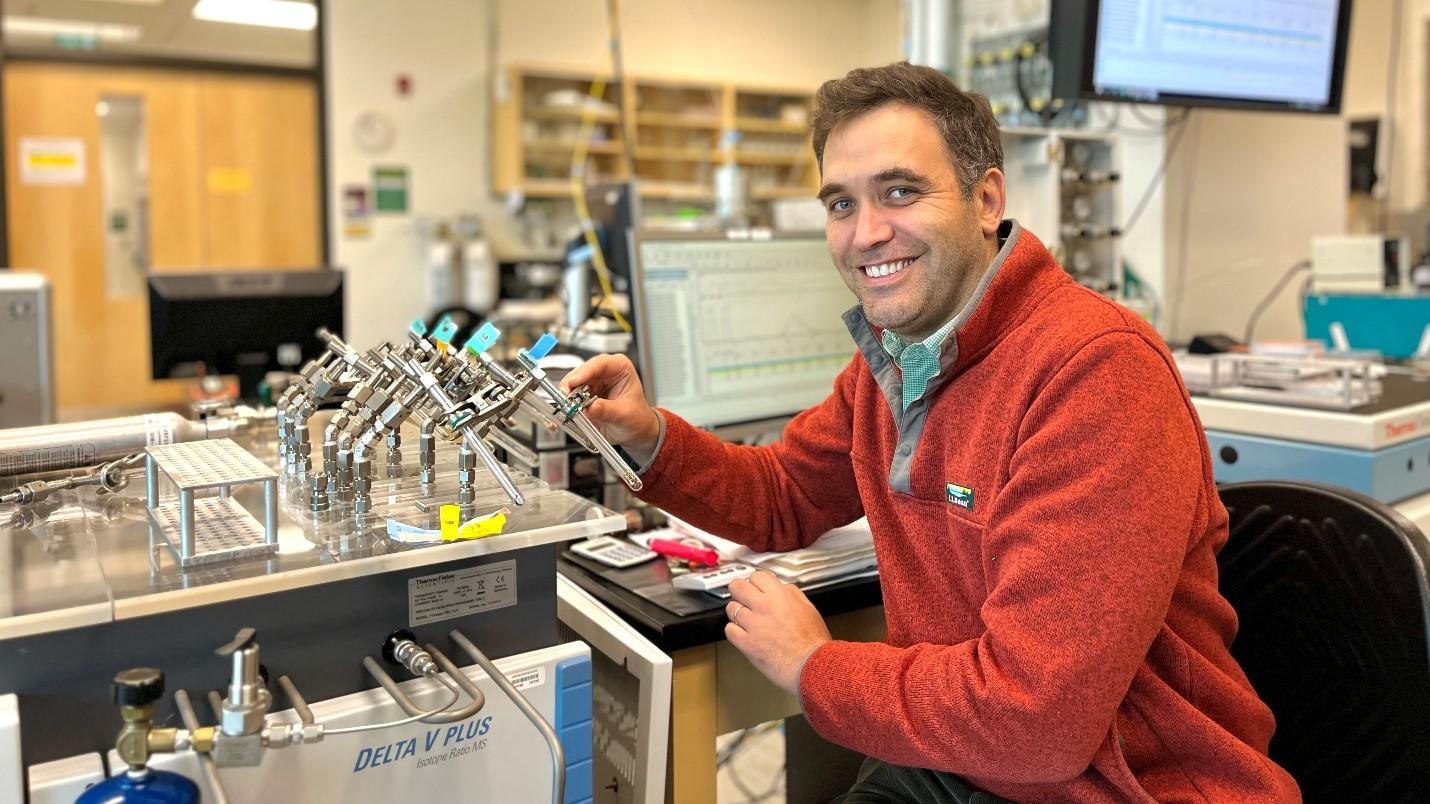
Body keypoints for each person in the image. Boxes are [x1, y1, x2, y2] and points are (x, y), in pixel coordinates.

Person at [561, 62, 1299, 802]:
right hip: (968, 764)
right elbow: (784, 494)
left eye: (901, 192)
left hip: (1119, 787)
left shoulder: (1095, 373)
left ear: (986, 199)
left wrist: (815, 666)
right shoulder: (899, 358)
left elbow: (1037, 718)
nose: (866, 233)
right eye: (841, 203)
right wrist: (650, 435)